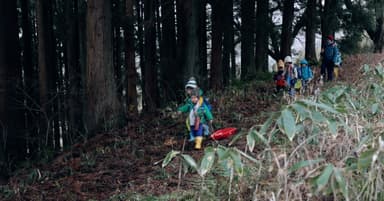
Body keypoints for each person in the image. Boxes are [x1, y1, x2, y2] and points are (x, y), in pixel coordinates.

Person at [178, 77, 212, 141]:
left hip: (200, 114)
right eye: (188, 90)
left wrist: (209, 117)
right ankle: (193, 135)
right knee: (190, 123)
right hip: (193, 116)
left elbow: (206, 108)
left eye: (190, 89)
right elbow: (187, 106)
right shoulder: (190, 99)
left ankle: (205, 132)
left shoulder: (200, 98)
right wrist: (180, 110)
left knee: (201, 123)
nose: (188, 91)